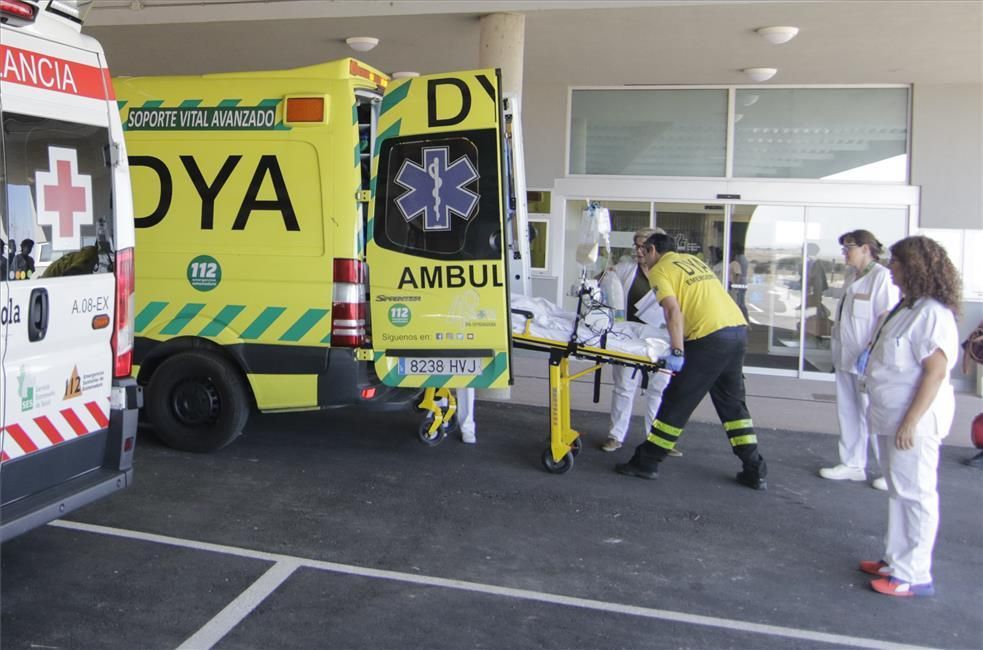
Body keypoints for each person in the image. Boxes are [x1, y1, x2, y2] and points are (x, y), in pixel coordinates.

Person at [614, 233, 767, 489]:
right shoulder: (693, 262)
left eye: (642, 250)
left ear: (653, 250)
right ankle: (755, 469)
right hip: (736, 331)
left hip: (709, 338)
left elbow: (672, 310)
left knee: (677, 400)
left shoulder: (659, 270)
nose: (640, 255)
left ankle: (647, 462)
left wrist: (677, 350)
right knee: (733, 407)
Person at [858, 235, 960, 598]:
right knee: (899, 491)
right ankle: (895, 560)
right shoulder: (909, 307)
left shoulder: (932, 313)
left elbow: (935, 372)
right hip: (891, 414)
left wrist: (910, 422)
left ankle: (914, 573)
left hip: (911, 421)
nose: (891, 269)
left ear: (915, 268)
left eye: (898, 263)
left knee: (916, 494)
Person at [820, 230, 899, 490]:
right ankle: (853, 464)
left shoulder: (882, 277)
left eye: (849, 248)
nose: (845, 253)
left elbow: (885, 315)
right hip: (845, 353)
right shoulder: (853, 277)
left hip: (866, 356)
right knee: (848, 410)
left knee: (872, 412)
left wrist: (870, 348)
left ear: (866, 248)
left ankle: (891, 472)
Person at [600, 227, 677, 456]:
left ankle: (658, 439)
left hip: (660, 338)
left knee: (659, 389)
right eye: (636, 245)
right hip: (628, 338)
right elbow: (603, 283)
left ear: (655, 248)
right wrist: (606, 274)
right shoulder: (626, 270)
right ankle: (616, 436)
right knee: (624, 386)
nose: (638, 250)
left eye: (643, 245)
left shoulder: (669, 273)